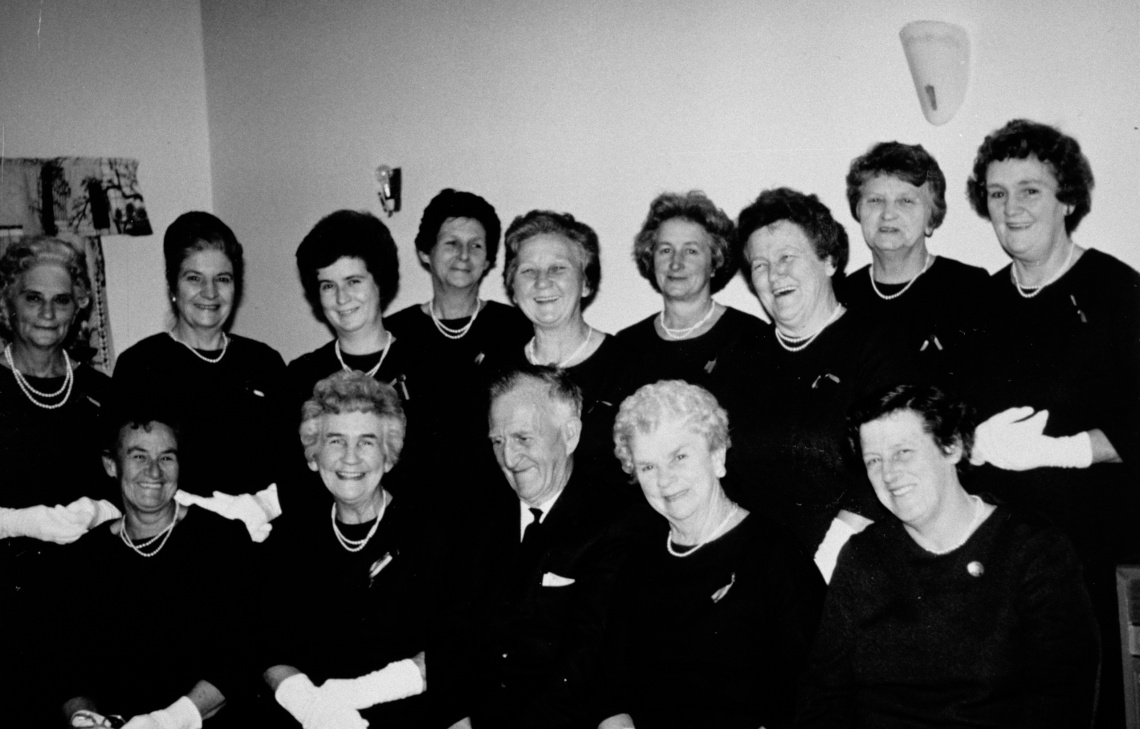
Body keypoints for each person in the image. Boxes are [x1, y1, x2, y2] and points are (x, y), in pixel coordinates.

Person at [961, 118, 1140, 728]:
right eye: (996, 192)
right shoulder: (980, 305)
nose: (1011, 208)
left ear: (1067, 197)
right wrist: (971, 444)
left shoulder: (1119, 293)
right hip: (1001, 569)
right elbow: (948, 419)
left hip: (1094, 560)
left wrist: (1062, 452)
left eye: (1030, 189)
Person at [797, 384, 1100, 728]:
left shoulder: (1031, 548)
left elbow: (1062, 701)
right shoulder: (864, 556)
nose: (889, 474)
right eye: (874, 460)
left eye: (904, 452)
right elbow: (824, 692)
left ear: (952, 447)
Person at [596, 380, 824, 729]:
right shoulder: (638, 561)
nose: (665, 480)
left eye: (680, 457)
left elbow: (817, 695)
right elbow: (611, 689)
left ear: (717, 457)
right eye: (647, 467)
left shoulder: (775, 557)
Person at [732, 187, 916, 576]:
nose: (774, 274)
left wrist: (827, 559)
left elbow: (891, 464)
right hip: (759, 569)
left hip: (853, 564)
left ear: (829, 260)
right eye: (759, 266)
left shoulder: (877, 346)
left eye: (787, 258)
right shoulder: (742, 357)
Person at [453, 366, 642, 728]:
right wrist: (455, 716)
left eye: (523, 438)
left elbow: (587, 660)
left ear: (569, 435)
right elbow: (450, 630)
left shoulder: (614, 520)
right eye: (497, 441)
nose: (509, 459)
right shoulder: (477, 515)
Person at [259, 370, 447, 728]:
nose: (350, 458)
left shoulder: (430, 534)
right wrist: (312, 708)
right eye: (335, 441)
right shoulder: (288, 538)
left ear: (389, 455)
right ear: (313, 456)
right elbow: (267, 646)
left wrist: (352, 696)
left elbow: (450, 647)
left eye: (366, 442)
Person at [58, 410, 256, 728]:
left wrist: (163, 722)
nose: (154, 471)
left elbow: (240, 656)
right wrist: (84, 719)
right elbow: (68, 668)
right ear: (111, 465)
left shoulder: (222, 540)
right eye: (139, 456)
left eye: (167, 458)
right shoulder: (85, 557)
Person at [0, 236, 122, 725]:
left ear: (78, 309)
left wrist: (101, 510)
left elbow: (136, 486)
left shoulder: (101, 392)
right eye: (33, 298)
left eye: (62, 299)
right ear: (9, 303)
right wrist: (21, 521)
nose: (48, 313)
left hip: (88, 603)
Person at [110, 212, 287, 541]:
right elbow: (130, 471)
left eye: (222, 279)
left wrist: (261, 506)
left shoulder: (264, 362)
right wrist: (209, 517)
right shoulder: (140, 365)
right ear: (172, 285)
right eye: (194, 278)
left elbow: (295, 461)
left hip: (263, 541)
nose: (210, 293)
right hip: (178, 543)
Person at [383, 189, 532, 490]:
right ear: (426, 252)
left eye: (476, 245)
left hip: (495, 505)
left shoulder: (515, 327)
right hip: (411, 505)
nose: (464, 255)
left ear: (489, 259)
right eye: (451, 243)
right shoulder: (394, 332)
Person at [287, 209, 422, 505]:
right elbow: (293, 480)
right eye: (328, 286)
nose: (341, 298)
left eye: (353, 281)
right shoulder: (300, 376)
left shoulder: (430, 367)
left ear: (380, 281)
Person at [491, 209, 625, 488]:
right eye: (528, 271)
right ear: (513, 290)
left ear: (586, 283)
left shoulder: (627, 366)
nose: (542, 282)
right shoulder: (495, 370)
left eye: (558, 268)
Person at [611, 191, 768, 424]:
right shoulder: (626, 345)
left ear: (715, 262)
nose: (676, 263)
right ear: (650, 259)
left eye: (691, 251)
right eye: (665, 250)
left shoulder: (750, 336)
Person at [841, 141, 988, 381]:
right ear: (858, 211)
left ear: (931, 218)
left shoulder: (969, 288)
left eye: (906, 201)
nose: (888, 214)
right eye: (875, 200)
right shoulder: (841, 298)